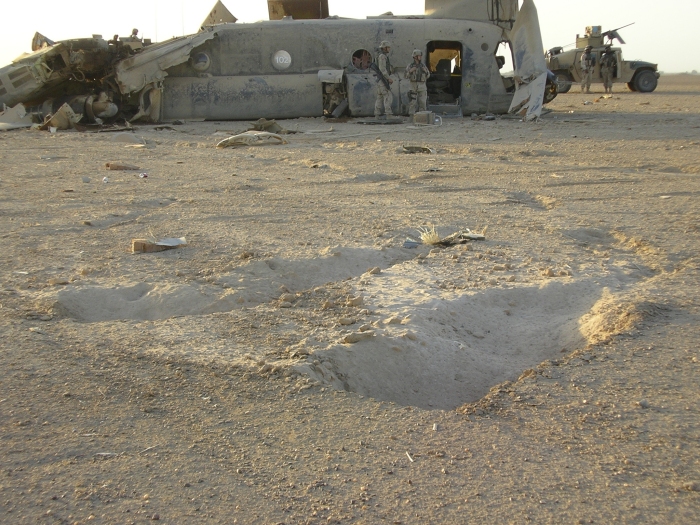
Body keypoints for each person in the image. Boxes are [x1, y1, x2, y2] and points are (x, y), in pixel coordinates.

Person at [405, 49, 431, 115]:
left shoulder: (423, 66)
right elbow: (405, 76)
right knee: (412, 102)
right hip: (413, 85)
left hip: (422, 85)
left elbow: (428, 76)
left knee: (422, 102)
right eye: (419, 56)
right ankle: (411, 117)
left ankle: (422, 117)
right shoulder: (410, 66)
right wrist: (410, 71)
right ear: (415, 57)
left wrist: (426, 71)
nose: (420, 57)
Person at [374, 40, 394, 119]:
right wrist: (388, 78)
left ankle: (377, 114)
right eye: (388, 47)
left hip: (380, 80)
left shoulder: (381, 55)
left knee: (379, 97)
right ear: (384, 48)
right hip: (383, 80)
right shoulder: (382, 56)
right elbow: (382, 69)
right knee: (387, 96)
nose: (389, 49)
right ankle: (388, 114)